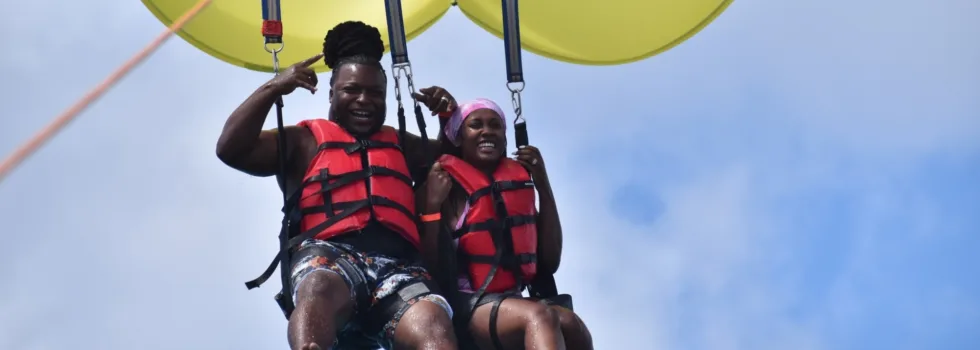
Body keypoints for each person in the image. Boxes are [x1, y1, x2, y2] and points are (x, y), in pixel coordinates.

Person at [215, 21, 460, 350]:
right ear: (331, 93)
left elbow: (456, 160)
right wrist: (273, 88)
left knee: (433, 322)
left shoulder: (401, 143)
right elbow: (230, 149)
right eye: (352, 90)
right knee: (318, 288)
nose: (364, 100)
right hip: (328, 256)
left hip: (400, 267)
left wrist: (449, 118)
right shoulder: (303, 141)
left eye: (375, 93)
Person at [416, 98, 593, 350]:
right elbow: (428, 264)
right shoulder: (444, 186)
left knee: (572, 325)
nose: (487, 131)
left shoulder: (516, 184)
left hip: (512, 298)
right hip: (467, 304)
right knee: (540, 316)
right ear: (458, 137)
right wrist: (432, 206)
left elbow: (549, 262)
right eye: (475, 125)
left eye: (495, 125)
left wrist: (543, 185)